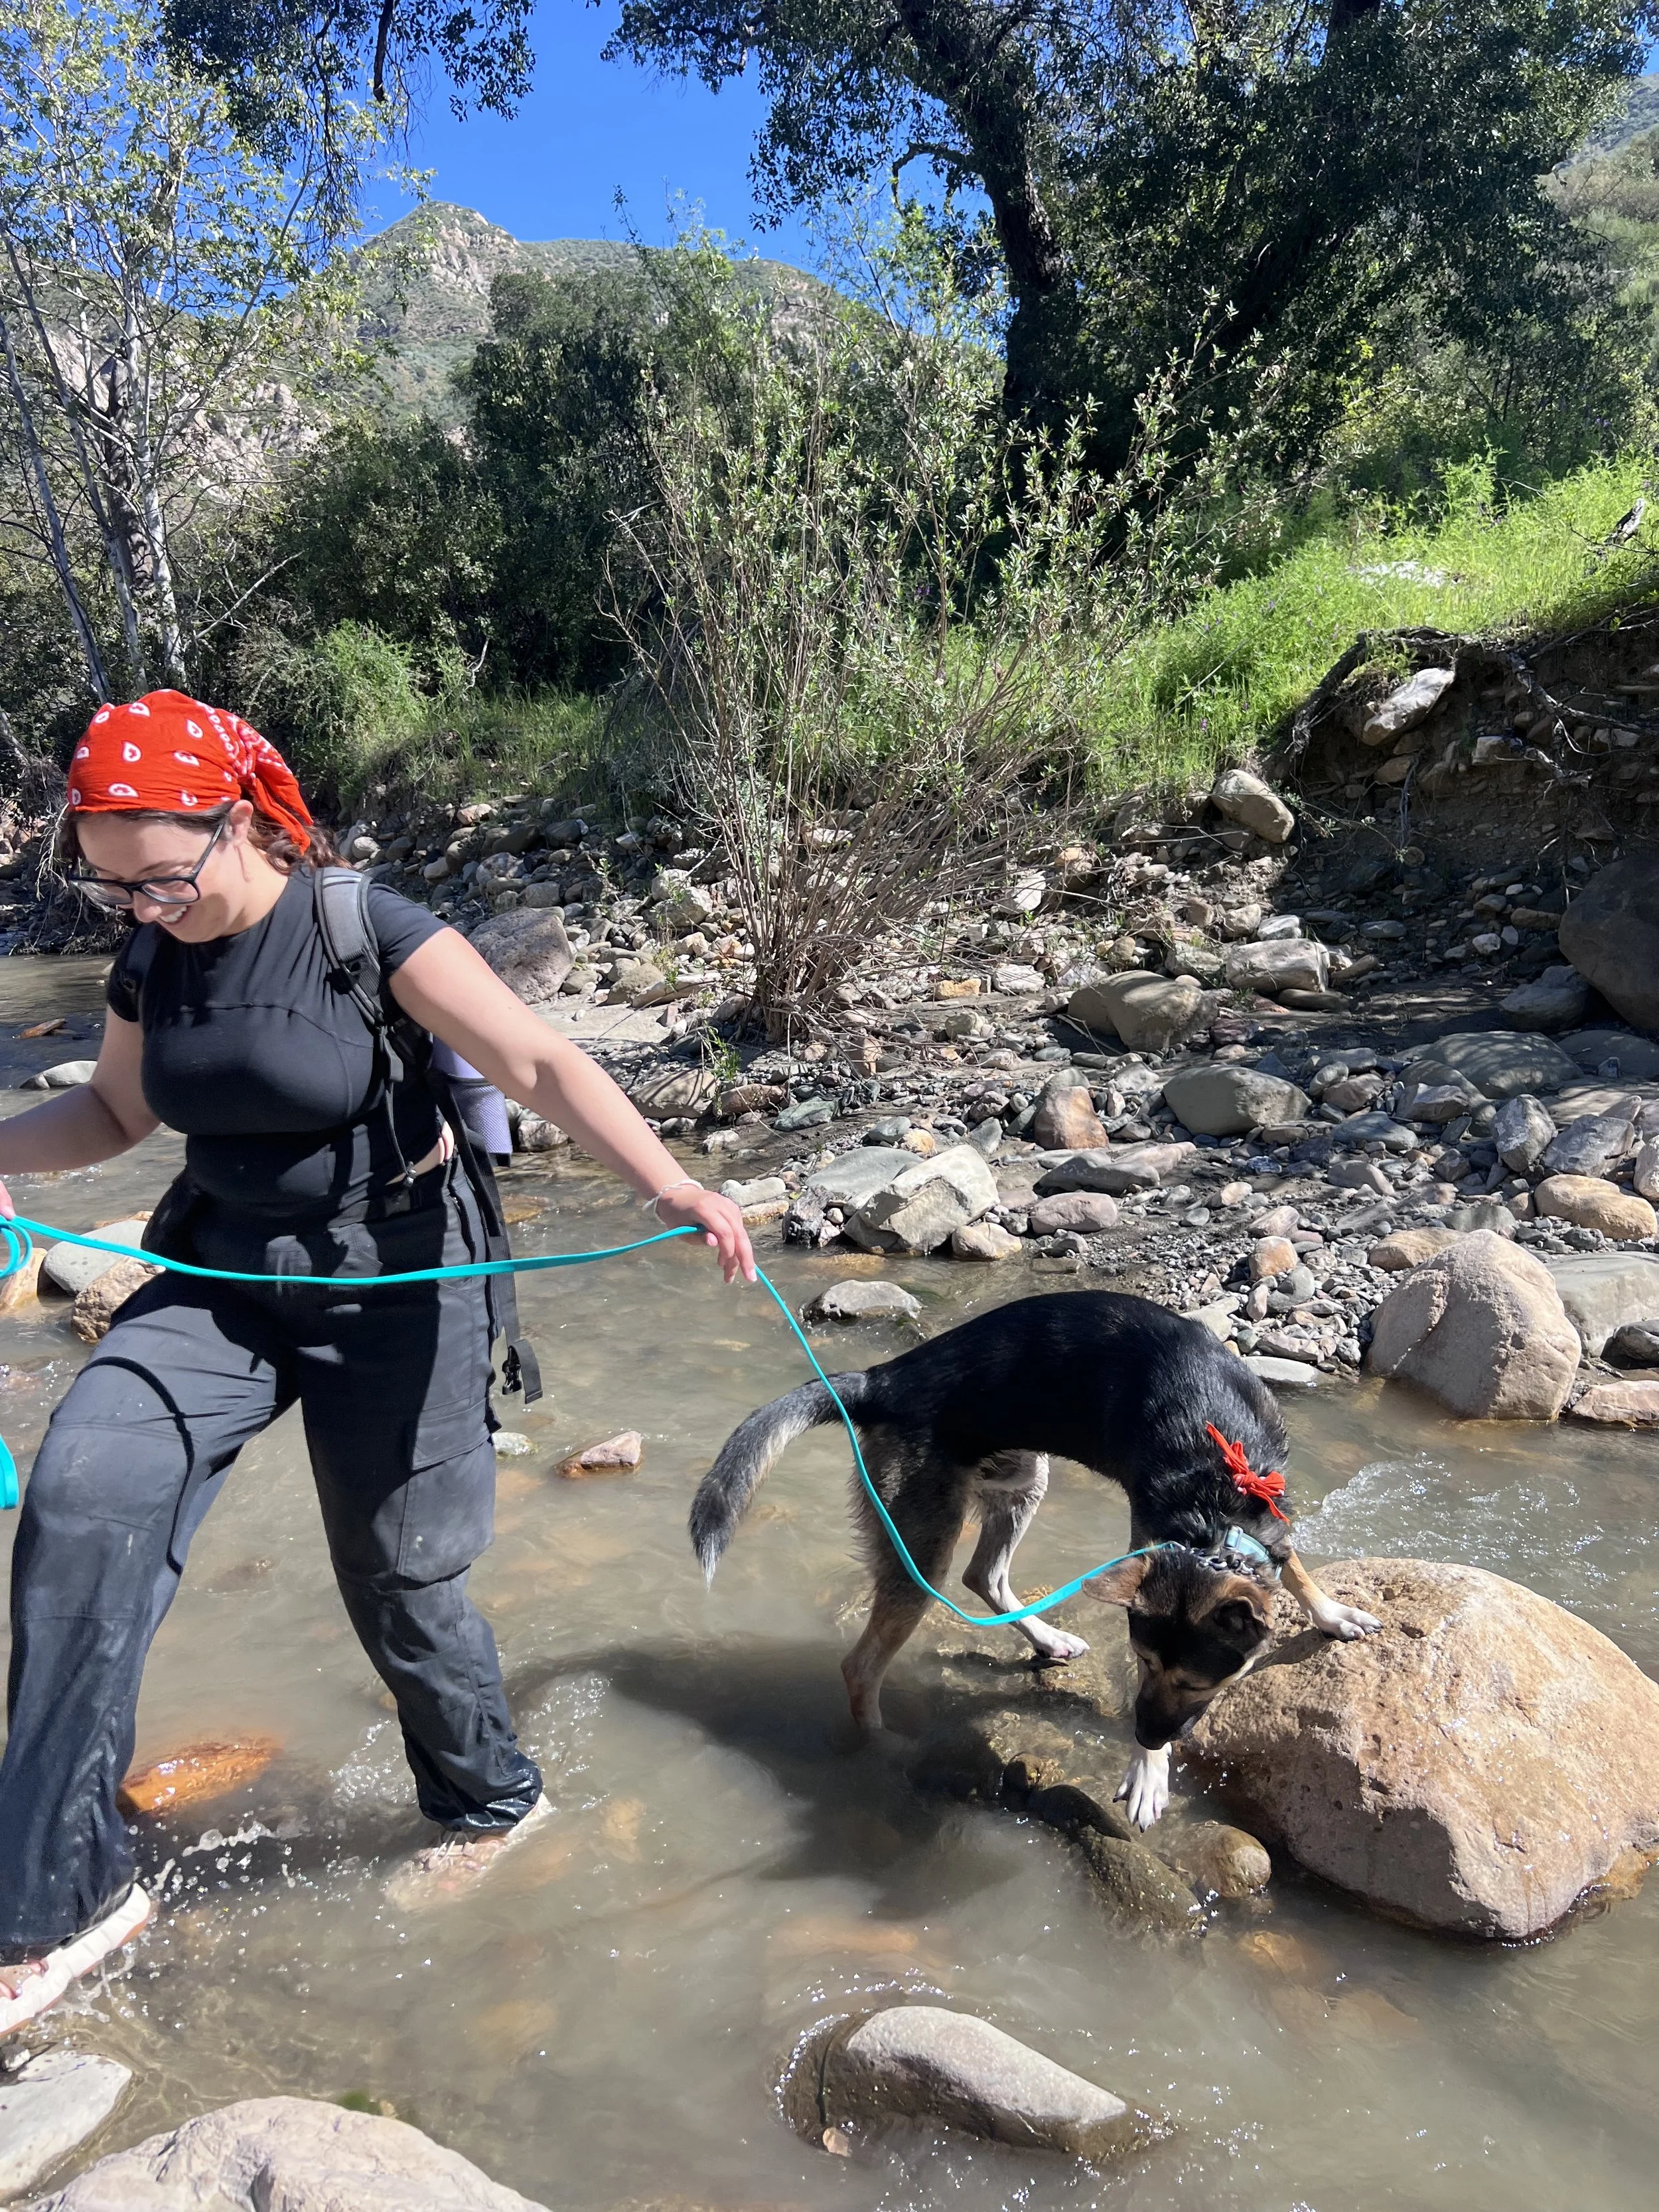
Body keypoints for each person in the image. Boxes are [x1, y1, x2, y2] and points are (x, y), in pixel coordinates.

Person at [0, 691, 755, 2034]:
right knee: (78, 1504)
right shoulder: (149, 952)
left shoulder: (362, 927)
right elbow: (114, 1111)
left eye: (161, 876)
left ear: (239, 820)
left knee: (399, 1578)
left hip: (399, 1277)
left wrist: (673, 1184)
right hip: (220, 1271)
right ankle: (68, 1893)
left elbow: (533, 1056)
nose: (141, 907)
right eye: (113, 886)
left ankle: (491, 1801)